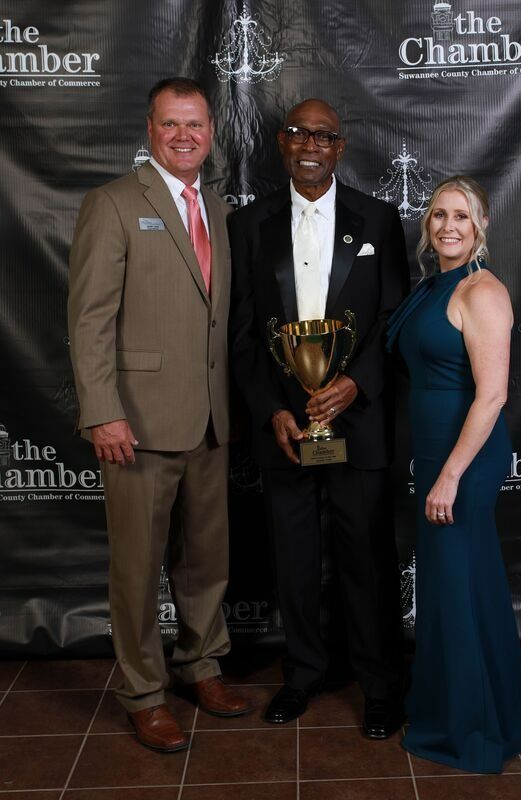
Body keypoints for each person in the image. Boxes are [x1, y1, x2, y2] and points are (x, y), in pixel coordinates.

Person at [68, 77, 250, 753]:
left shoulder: (221, 210)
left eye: (195, 125)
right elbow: (89, 320)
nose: (183, 137)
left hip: (209, 421)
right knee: (138, 569)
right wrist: (103, 411)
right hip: (135, 423)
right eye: (170, 125)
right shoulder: (113, 204)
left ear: (210, 133)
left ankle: (200, 664)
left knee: (206, 560)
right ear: (150, 130)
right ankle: (143, 692)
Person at [229, 99, 409, 738]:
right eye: (300, 132)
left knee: (366, 560)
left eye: (324, 135)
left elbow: (393, 321)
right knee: (296, 561)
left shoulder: (380, 220)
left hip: (356, 424)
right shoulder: (250, 225)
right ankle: (302, 675)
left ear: (341, 146)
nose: (311, 143)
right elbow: (244, 335)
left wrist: (356, 383)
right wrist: (271, 408)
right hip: (287, 429)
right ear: (282, 142)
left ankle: (381, 686)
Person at [386, 175, 521, 772]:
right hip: (434, 455)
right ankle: (486, 710)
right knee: (459, 588)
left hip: (465, 460)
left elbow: (493, 395)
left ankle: (472, 729)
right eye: (437, 216)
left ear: (480, 226)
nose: (448, 226)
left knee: (457, 588)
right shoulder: (434, 285)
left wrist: (451, 475)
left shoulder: (482, 292)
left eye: (461, 216)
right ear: (427, 226)